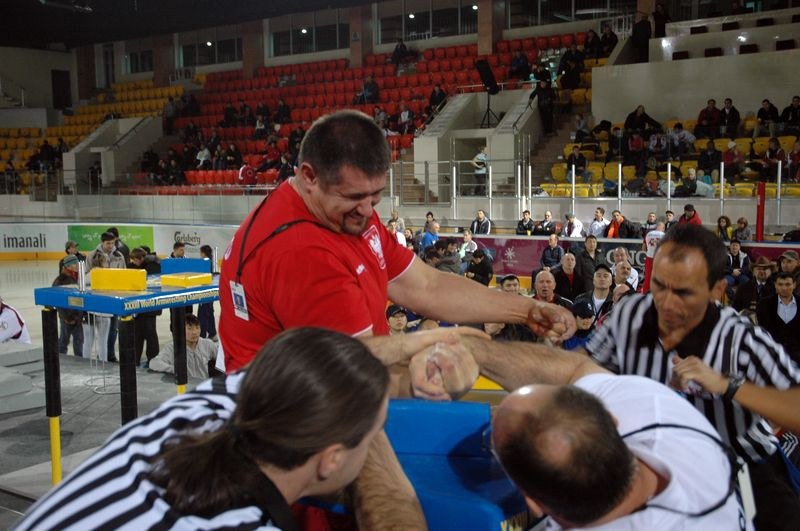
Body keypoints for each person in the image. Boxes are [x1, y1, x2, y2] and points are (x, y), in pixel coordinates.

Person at [217, 111, 575, 373]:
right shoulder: (302, 252)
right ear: (308, 176)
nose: (367, 211)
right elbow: (361, 366)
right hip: (289, 425)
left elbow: (425, 285)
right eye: (355, 197)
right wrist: (463, 349)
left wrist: (524, 310)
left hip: (332, 395)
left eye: (375, 197)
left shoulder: (338, 212)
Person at [14, 327, 428, 531]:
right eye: (375, 432)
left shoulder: (189, 416)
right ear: (331, 460)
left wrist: (419, 346)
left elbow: (300, 362)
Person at [581, 224, 800, 531]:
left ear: (716, 290)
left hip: (742, 467)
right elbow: (583, 369)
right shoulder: (629, 314)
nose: (666, 303)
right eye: (659, 285)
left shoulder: (741, 339)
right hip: (655, 466)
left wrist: (727, 385)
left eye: (683, 291)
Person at [84, 231, 126, 362]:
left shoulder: (119, 255)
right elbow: (86, 276)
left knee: (113, 330)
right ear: (102, 242)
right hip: (96, 299)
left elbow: (124, 273)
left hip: (114, 297)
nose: (110, 246)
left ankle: (110, 355)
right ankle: (90, 360)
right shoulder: (92, 256)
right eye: (108, 243)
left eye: (113, 243)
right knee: (91, 336)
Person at [148, 314, 218, 379]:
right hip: (184, 387)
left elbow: (223, 359)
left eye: (197, 328)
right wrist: (174, 369)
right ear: (181, 330)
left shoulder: (207, 344)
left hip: (203, 386)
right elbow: (154, 363)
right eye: (189, 328)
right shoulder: (172, 348)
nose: (194, 332)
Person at [756, 272, 799, 363]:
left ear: (794, 285)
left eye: (788, 284)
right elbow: (762, 330)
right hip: (772, 356)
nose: (784, 288)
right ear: (775, 285)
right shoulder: (764, 304)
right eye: (780, 284)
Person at [129, 247, 161, 366]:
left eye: (135, 260)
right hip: (141, 307)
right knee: (139, 334)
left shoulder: (152, 266)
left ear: (141, 258)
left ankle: (152, 359)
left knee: (150, 334)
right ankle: (137, 359)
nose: (133, 263)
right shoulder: (137, 266)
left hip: (149, 306)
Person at [52, 254, 84, 356]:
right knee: (64, 340)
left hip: (77, 315)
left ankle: (80, 361)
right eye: (75, 263)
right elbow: (57, 300)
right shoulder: (60, 280)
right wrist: (66, 317)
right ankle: (60, 358)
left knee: (79, 340)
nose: (77, 265)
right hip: (67, 317)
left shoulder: (78, 277)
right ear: (68, 266)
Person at [641, 221, 665, 293]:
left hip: (649, 258)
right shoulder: (665, 235)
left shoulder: (648, 234)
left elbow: (643, 248)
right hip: (660, 259)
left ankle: (646, 293)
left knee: (648, 277)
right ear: (663, 228)